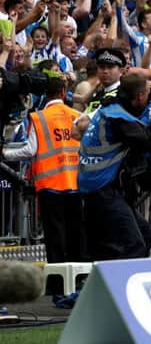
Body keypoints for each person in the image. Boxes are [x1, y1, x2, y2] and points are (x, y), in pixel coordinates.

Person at [77, 72, 151, 260]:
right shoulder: (117, 117)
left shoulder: (114, 107)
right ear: (140, 96)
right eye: (148, 92)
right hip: (100, 188)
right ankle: (118, 287)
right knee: (132, 244)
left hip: (100, 186)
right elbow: (149, 141)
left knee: (144, 234)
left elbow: (138, 124)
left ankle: (109, 282)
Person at [2, 78, 84, 270]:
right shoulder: (77, 115)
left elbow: (30, 150)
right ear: (64, 92)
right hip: (76, 183)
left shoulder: (39, 118)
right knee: (76, 232)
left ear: (45, 95)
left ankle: (58, 279)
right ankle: (79, 276)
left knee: (55, 235)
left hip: (50, 185)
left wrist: (5, 153)